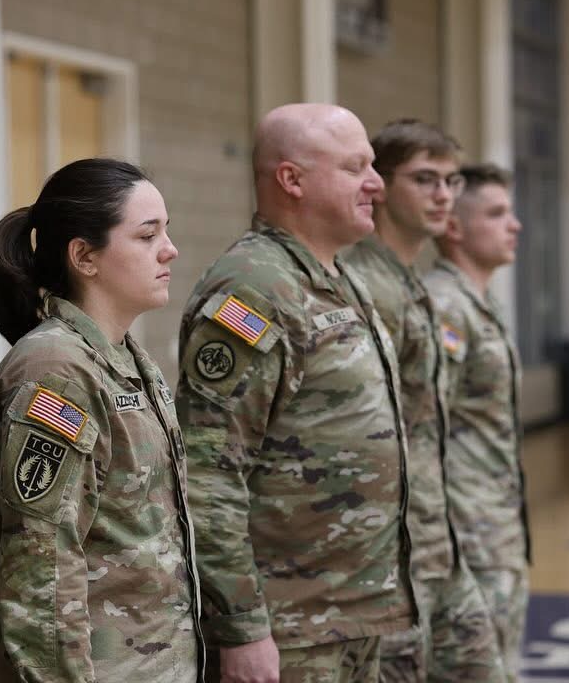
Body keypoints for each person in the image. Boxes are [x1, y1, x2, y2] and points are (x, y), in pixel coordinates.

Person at [175, 103, 415, 683]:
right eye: (356, 166)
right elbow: (208, 473)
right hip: (289, 627)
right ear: (292, 179)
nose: (376, 184)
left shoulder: (337, 277)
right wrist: (243, 629)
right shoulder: (256, 289)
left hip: (351, 616)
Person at [0, 158, 203, 681]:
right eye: (147, 235)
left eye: (167, 231)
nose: (170, 249)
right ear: (84, 257)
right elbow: (41, 570)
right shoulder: (56, 369)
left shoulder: (126, 360)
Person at [342, 120, 506, 681]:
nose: (444, 196)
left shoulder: (408, 282)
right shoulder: (361, 286)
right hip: (392, 556)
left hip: (440, 541)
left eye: (452, 181)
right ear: (381, 185)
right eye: (426, 179)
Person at [424, 164, 530, 678]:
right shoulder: (445, 306)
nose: (515, 225)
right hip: (467, 536)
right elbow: (424, 426)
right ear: (454, 228)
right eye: (496, 213)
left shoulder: (483, 303)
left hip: (497, 527)